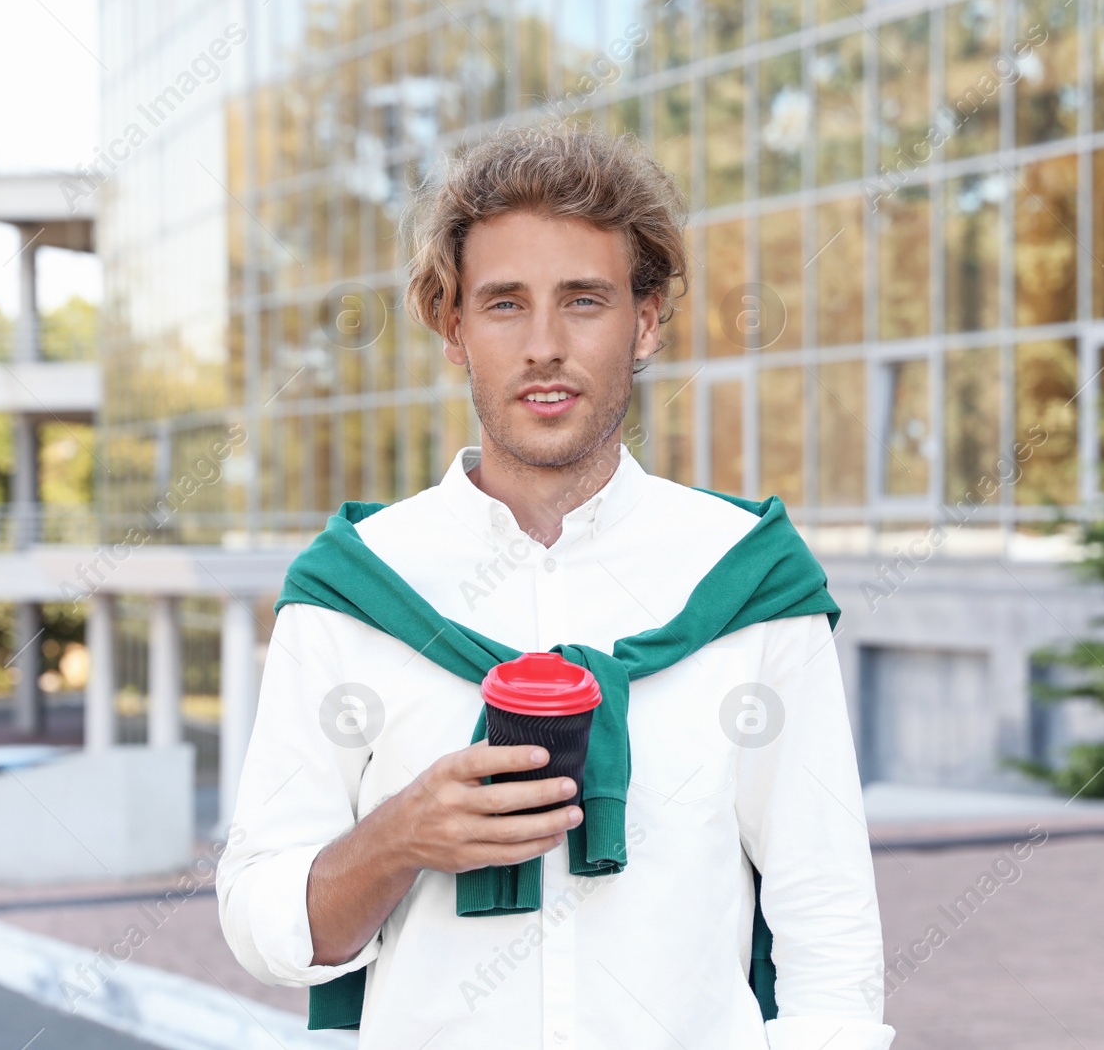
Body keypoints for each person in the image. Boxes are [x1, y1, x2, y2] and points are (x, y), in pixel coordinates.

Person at [216, 123, 894, 1050]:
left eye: (583, 300)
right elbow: (264, 923)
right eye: (504, 304)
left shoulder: (746, 580)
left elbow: (828, 918)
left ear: (645, 319)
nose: (544, 345)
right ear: (453, 327)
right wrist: (400, 836)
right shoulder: (352, 592)